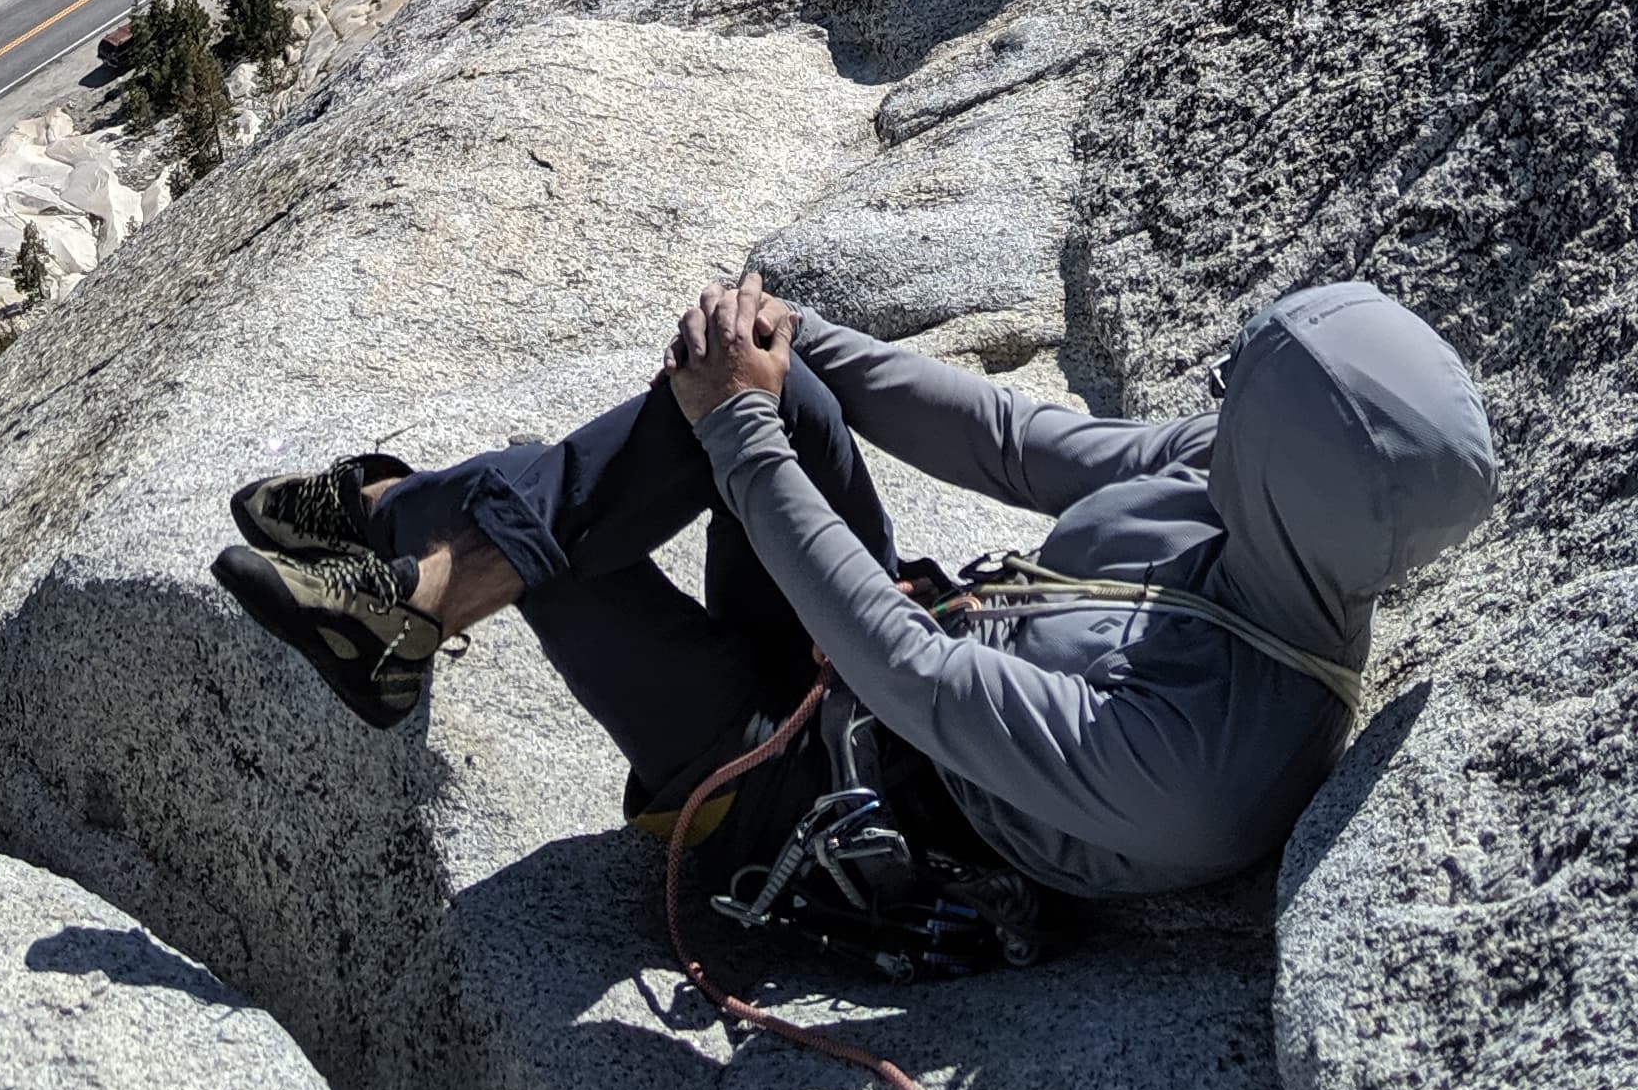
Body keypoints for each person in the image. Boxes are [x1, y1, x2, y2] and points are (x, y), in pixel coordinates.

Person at [213, 268, 1497, 920]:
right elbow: (1008, 441)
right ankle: (400, 579)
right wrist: (795, 338)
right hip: (861, 664)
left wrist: (739, 430)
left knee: (570, 543)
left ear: (1295, 463)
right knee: (780, 399)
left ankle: (390, 533)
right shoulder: (1244, 496)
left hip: (792, 795)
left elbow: (912, 675)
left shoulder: (1210, 761)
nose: (1217, 404)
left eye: (1246, 397)